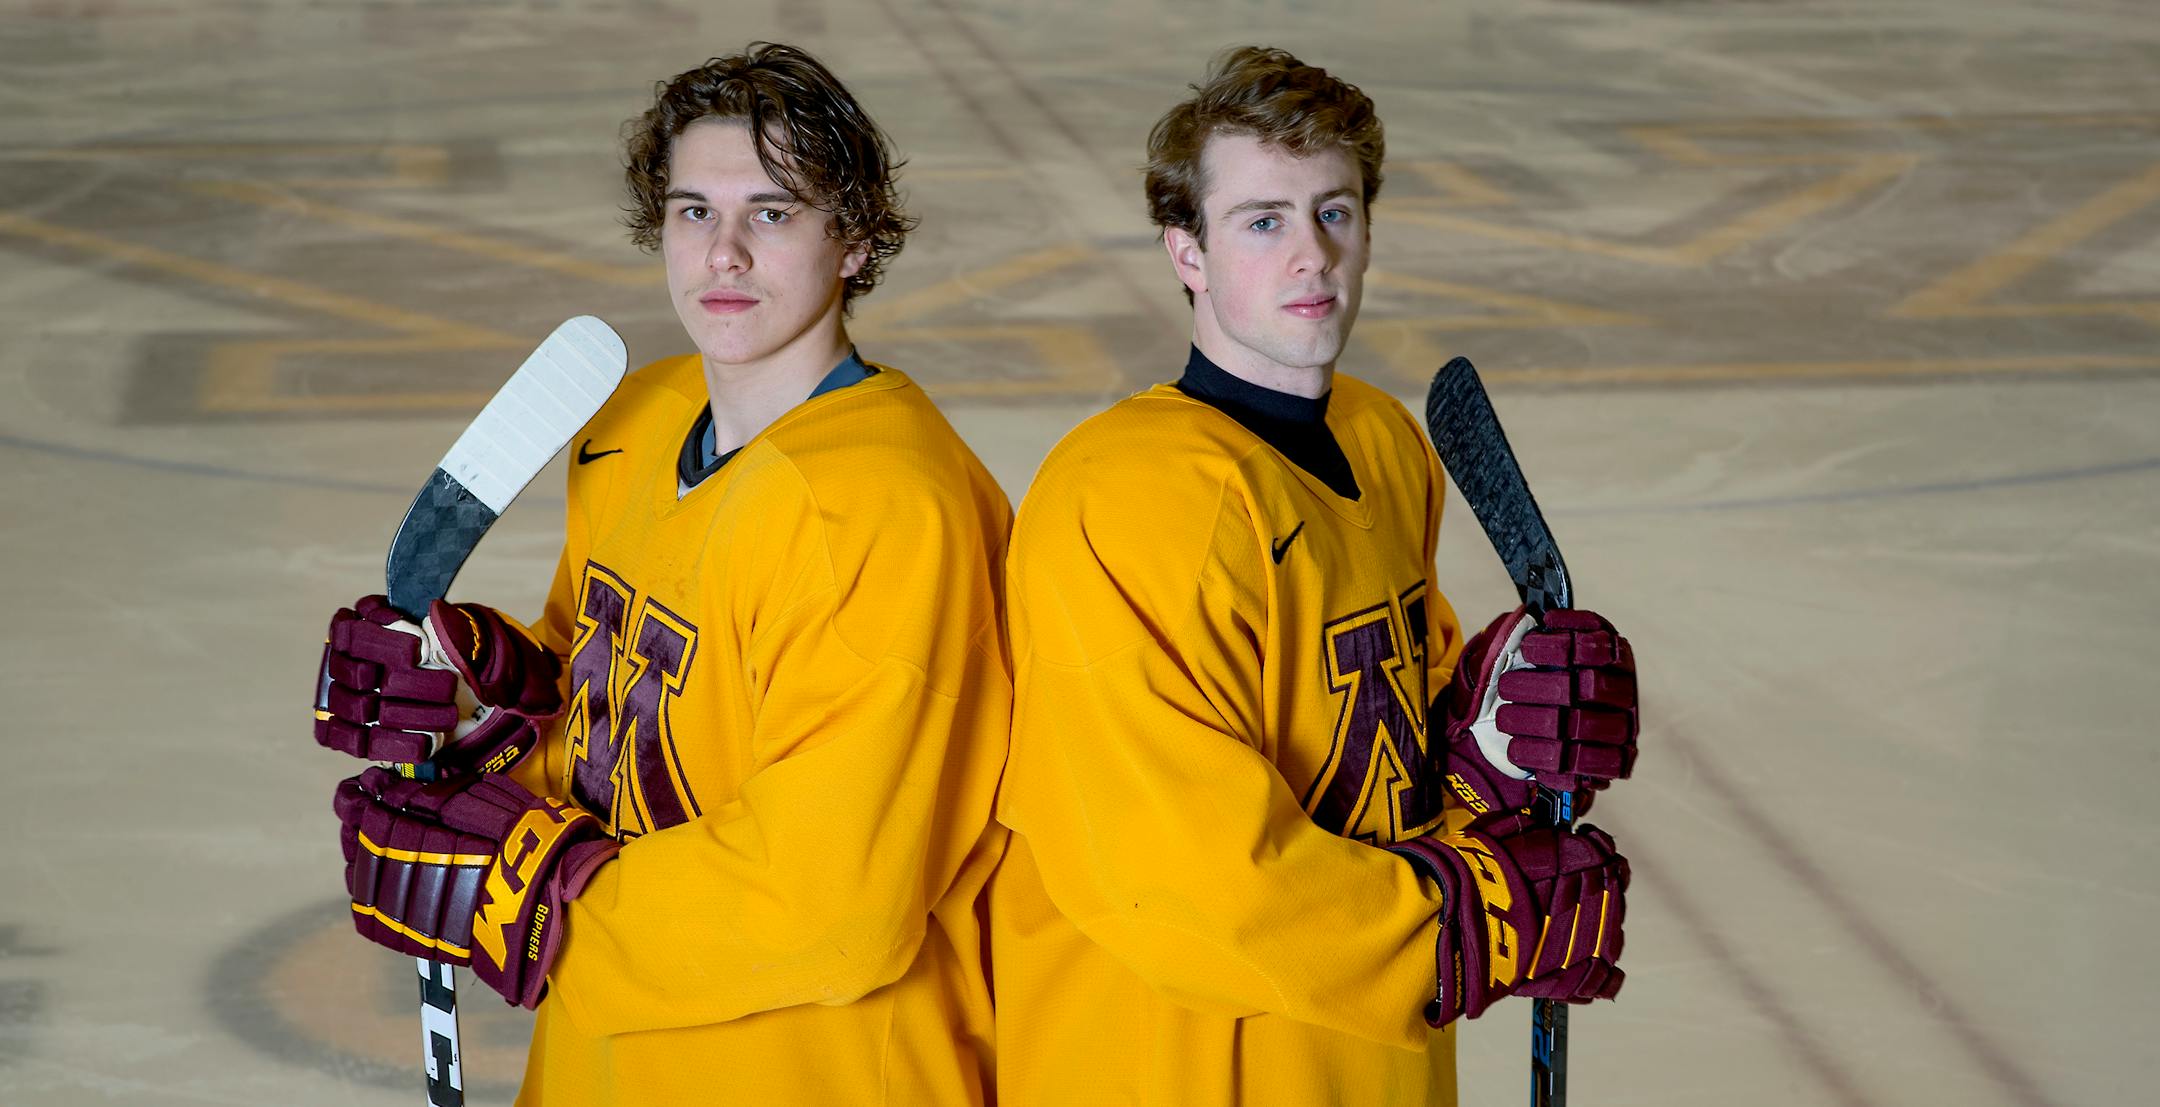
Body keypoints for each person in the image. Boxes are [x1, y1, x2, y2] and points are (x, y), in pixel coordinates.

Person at [312, 43, 1011, 1105]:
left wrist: (534, 898)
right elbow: (605, 705)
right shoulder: (639, 421)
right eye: (693, 212)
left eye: (772, 214)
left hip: (807, 1069)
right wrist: (476, 695)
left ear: (857, 241)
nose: (722, 254)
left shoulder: (888, 510)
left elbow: (837, 912)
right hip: (615, 1045)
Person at [988, 46, 1640, 1106]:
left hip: (1368, 1055)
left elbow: (1387, 755)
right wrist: (1469, 923)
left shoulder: (1383, 440)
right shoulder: (1124, 496)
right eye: (1263, 221)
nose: (1312, 256)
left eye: (1335, 213)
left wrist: (1494, 748)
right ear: (1186, 252)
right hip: (1181, 1064)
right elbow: (1178, 884)